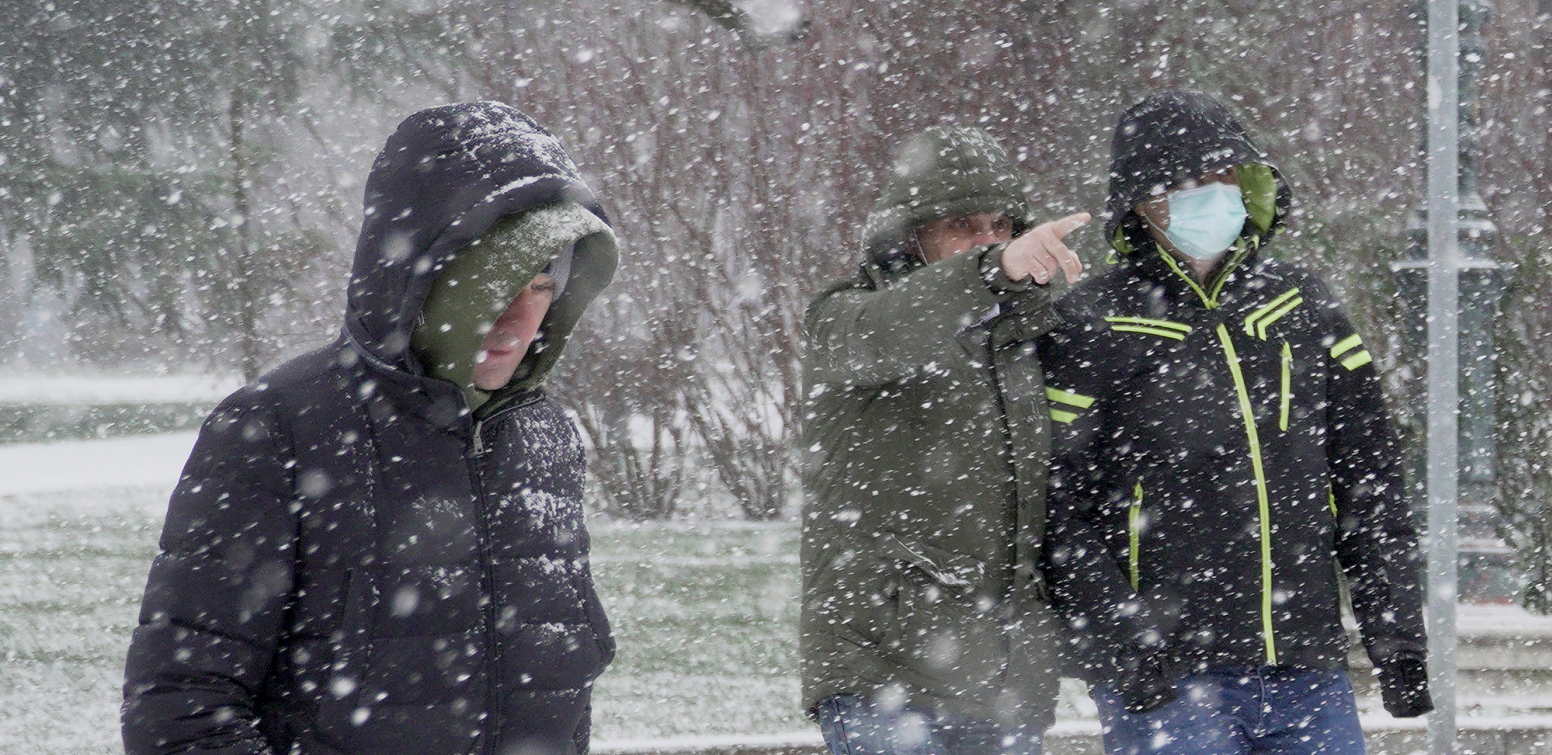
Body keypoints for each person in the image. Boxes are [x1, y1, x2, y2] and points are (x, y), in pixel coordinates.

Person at [121, 102, 620, 755]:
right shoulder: (278, 428)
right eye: (488, 285)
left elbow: (561, 682)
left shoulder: (543, 435)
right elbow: (181, 709)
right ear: (418, 278)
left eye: (538, 287)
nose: (515, 320)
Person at [1039, 91, 1432, 755]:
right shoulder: (1091, 323)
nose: (1210, 196)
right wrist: (1123, 629)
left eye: (1223, 177)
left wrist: (1395, 632)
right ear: (1139, 201)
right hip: (1169, 678)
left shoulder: (1302, 305)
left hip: (1309, 669)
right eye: (1184, 183)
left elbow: (1368, 479)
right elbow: (1056, 506)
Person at [800, 125, 1088, 755]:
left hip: (1007, 680)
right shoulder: (845, 316)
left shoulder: (1033, 336)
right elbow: (887, 332)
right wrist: (991, 272)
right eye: (962, 225)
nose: (986, 241)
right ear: (911, 236)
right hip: (885, 671)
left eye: (999, 226)